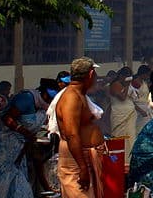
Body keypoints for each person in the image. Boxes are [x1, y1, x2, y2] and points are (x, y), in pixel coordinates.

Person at [53, 57, 106, 198]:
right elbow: (71, 135)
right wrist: (82, 167)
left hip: (85, 158)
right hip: (77, 161)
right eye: (95, 74)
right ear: (90, 74)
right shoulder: (71, 97)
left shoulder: (79, 95)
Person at [107, 75, 137, 162]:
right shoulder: (115, 85)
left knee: (130, 137)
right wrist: (127, 85)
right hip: (119, 116)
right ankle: (118, 160)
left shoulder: (127, 86)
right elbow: (122, 97)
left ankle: (128, 159)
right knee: (119, 137)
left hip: (129, 115)